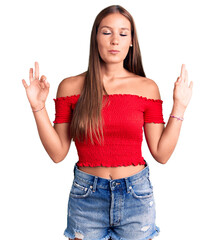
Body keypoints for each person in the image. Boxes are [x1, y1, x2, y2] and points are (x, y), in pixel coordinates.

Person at [22, 4, 193, 240]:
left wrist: (180, 106)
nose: (115, 40)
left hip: (136, 197)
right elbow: (58, 153)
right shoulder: (70, 87)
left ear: (131, 41)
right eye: (107, 32)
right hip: (86, 199)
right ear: (95, 37)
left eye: (123, 34)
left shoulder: (147, 88)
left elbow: (162, 154)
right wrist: (37, 106)